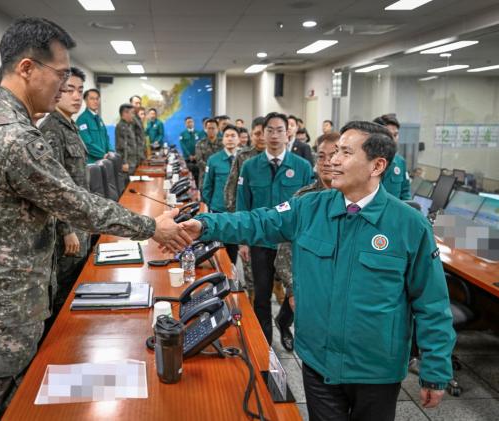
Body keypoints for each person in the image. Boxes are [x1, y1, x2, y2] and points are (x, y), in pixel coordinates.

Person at [0, 17, 191, 421]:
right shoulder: (12, 136)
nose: (64, 87)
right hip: (1, 312)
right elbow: (77, 203)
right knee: (13, 412)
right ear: (26, 68)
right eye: (60, 75)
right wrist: (153, 227)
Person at [181, 121, 455, 421]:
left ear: (377, 165)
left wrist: (435, 369)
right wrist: (204, 226)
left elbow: (432, 304)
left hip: (376, 369)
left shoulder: (408, 224)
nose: (332, 160)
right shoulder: (309, 207)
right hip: (317, 360)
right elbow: (257, 221)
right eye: (334, 151)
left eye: (345, 153)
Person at [235, 112, 313, 344]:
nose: (275, 135)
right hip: (261, 242)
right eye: (271, 130)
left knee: (296, 293)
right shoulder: (250, 166)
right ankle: (264, 344)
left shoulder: (302, 167)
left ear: (288, 133)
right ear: (263, 133)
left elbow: (310, 205)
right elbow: (243, 205)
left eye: (281, 130)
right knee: (261, 295)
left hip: (291, 243)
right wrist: (243, 241)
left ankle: (284, 324)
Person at [274, 132, 340, 351]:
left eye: (335, 154)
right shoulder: (303, 198)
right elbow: (284, 248)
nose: (328, 162)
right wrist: (292, 290)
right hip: (308, 289)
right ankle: (284, 323)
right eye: (321, 156)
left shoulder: (356, 200)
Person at [38, 66, 89, 317]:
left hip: (80, 223)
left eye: (80, 90)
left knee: (78, 288)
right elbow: (52, 190)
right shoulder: (51, 129)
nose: (76, 96)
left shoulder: (70, 126)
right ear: (58, 90)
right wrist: (67, 230)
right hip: (67, 232)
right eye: (70, 90)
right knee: (64, 294)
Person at [223, 117, 266, 302]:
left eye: (265, 133)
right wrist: (237, 220)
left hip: (276, 226)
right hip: (250, 223)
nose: (261, 137)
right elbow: (230, 189)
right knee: (251, 275)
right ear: (250, 135)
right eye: (257, 133)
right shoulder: (243, 157)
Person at [202, 125, 240, 262]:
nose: (230, 139)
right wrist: (208, 206)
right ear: (222, 139)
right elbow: (207, 185)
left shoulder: (245, 159)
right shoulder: (214, 159)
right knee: (217, 248)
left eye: (233, 135)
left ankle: (232, 277)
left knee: (233, 248)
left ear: (239, 139)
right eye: (227, 136)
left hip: (237, 212)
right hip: (218, 210)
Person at [375, 114, 411, 200]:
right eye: (389, 135)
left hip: (394, 212)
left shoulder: (400, 162)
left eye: (395, 135)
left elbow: (405, 194)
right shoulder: (367, 161)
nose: (393, 140)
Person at [76, 88, 112, 163]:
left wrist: (111, 151)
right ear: (85, 100)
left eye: (97, 99)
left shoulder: (99, 119)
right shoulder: (82, 119)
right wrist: (103, 154)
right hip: (92, 163)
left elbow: (106, 138)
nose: (95, 101)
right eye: (92, 99)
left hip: (104, 161)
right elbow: (87, 143)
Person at [195, 118, 221, 189]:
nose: (211, 130)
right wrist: (211, 169)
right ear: (205, 129)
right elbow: (199, 160)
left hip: (220, 178)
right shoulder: (200, 143)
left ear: (217, 129)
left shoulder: (223, 143)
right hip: (205, 178)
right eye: (209, 128)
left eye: (213, 128)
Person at [116, 103, 141, 175]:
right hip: (128, 164)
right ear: (125, 113)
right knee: (128, 185)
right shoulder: (121, 126)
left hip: (133, 162)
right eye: (132, 113)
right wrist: (124, 163)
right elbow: (122, 146)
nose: (133, 116)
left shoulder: (129, 125)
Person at [179, 116, 200, 183]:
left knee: (197, 176)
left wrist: (196, 155)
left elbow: (200, 145)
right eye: (188, 122)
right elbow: (183, 146)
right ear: (185, 124)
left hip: (198, 158)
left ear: (193, 123)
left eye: (191, 122)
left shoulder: (198, 133)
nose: (190, 123)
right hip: (187, 158)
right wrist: (189, 155)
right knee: (188, 175)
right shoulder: (182, 134)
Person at [130, 95, 147, 161]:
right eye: (136, 103)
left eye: (139, 103)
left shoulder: (138, 119)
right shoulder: (128, 118)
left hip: (140, 155)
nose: (138, 105)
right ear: (131, 104)